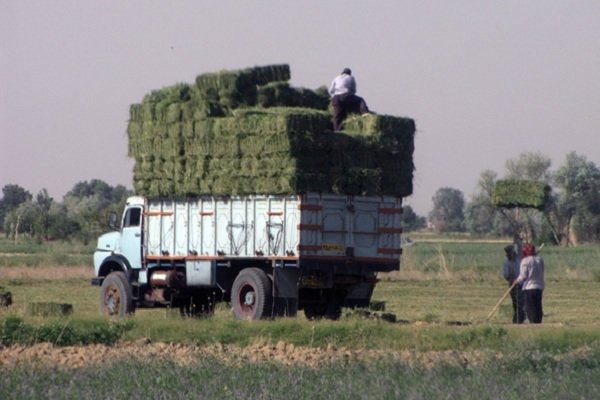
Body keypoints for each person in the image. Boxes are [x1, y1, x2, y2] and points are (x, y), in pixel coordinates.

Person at [515, 243, 545, 324]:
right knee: (538, 305)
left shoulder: (525, 261)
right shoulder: (539, 260)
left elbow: (523, 276)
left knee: (530, 307)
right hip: (539, 286)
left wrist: (517, 281)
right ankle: (538, 322)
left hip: (529, 287)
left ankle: (533, 322)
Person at [503, 244, 525, 324]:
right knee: (517, 304)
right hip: (513, 286)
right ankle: (518, 320)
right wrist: (512, 280)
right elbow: (506, 275)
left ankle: (518, 319)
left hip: (520, 284)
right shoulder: (508, 263)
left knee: (520, 303)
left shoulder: (519, 260)